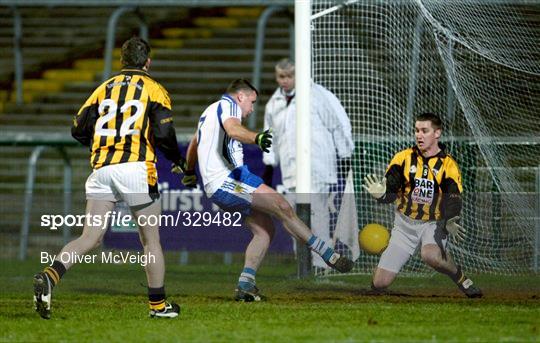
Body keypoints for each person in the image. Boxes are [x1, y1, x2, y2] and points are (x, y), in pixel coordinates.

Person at [33, 37, 185, 319]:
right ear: (148, 62)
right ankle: (158, 306)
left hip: (102, 170)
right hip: (136, 169)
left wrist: (103, 146)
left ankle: (50, 276)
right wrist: (177, 160)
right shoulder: (154, 89)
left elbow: (78, 127)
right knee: (151, 240)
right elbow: (164, 134)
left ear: (122, 62)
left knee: (90, 237)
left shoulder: (103, 88)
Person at [181, 78, 354, 302]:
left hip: (221, 185)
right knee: (282, 206)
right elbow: (233, 130)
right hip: (229, 181)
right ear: (240, 96)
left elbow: (195, 142)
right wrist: (256, 137)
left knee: (264, 231)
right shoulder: (229, 106)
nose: (252, 109)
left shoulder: (209, 111)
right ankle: (327, 253)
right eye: (251, 102)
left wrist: (188, 171)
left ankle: (245, 284)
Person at [362, 112, 482, 298]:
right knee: (380, 283)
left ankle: (461, 279)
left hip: (432, 224)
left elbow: (453, 197)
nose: (419, 135)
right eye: (417, 130)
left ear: (437, 133)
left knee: (431, 256)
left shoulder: (448, 165)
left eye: (424, 131)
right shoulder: (402, 158)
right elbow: (391, 189)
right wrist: (382, 195)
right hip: (404, 225)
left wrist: (450, 219)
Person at [262, 58, 354, 270]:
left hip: (318, 166)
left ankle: (321, 265)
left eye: (289, 76)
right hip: (290, 169)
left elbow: (339, 124)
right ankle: (304, 265)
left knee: (316, 213)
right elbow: (270, 136)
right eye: (281, 77)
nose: (284, 81)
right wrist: (269, 164)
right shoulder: (274, 103)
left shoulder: (319, 95)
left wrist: (345, 155)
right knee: (292, 216)